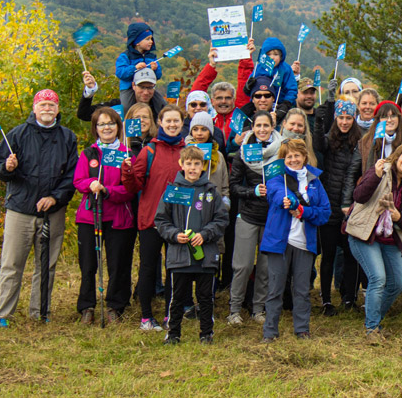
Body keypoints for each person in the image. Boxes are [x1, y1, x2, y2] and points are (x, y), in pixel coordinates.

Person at [0, 89, 79, 326]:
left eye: (52, 105)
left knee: (47, 265)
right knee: (12, 263)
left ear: (57, 109)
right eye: (43, 105)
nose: (47, 109)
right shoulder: (16, 135)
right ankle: (3, 315)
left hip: (52, 211)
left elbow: (72, 175)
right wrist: (7, 168)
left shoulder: (68, 137)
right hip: (20, 209)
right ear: (34, 108)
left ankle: (40, 313)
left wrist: (55, 198)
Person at [346, 142, 402, 341]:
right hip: (365, 235)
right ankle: (372, 329)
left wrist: (399, 217)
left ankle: (373, 316)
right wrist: (375, 176)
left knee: (398, 283)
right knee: (378, 278)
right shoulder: (380, 170)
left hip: (390, 240)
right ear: (397, 156)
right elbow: (359, 196)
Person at [121, 104, 188, 331]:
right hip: (150, 219)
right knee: (148, 268)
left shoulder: (187, 151)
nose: (172, 125)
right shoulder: (149, 151)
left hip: (178, 221)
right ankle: (146, 316)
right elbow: (134, 185)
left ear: (181, 123)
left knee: (174, 269)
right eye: (168, 121)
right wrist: (127, 172)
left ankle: (171, 314)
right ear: (160, 122)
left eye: (176, 121)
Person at [155, 145, 229, 344]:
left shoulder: (211, 192)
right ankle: (173, 334)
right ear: (181, 164)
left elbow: (221, 220)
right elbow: (161, 220)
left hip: (205, 255)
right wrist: (174, 235)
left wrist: (205, 235)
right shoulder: (172, 191)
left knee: (205, 298)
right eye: (189, 164)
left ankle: (206, 334)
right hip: (179, 255)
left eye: (197, 164)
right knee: (177, 298)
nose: (193, 168)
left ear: (203, 166)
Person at [259, 139, 332, 342]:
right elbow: (276, 194)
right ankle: (270, 331)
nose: (293, 159)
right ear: (283, 160)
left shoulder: (315, 182)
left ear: (304, 157)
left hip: (304, 243)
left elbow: (324, 213)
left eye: (296, 155)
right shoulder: (277, 179)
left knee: (301, 289)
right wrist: (288, 199)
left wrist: (303, 211)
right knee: (275, 289)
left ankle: (302, 329)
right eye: (288, 156)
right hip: (279, 242)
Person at [73, 107, 137, 326]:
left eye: (111, 123)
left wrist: (110, 191)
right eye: (102, 124)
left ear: (118, 127)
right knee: (88, 263)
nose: (106, 127)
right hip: (91, 215)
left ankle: (115, 306)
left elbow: (132, 187)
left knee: (118, 263)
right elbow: (78, 180)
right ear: (95, 128)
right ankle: (87, 306)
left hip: (118, 215)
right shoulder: (88, 153)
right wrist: (90, 184)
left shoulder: (127, 153)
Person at [227, 110, 283, 325]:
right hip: (248, 216)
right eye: (258, 125)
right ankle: (234, 309)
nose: (262, 129)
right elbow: (233, 186)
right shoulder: (244, 152)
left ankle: (258, 309)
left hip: (272, 217)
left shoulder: (280, 150)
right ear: (253, 127)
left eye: (266, 125)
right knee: (242, 265)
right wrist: (252, 191)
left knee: (265, 267)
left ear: (272, 127)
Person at [312, 99, 362, 315]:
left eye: (348, 118)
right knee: (329, 255)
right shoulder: (328, 139)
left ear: (354, 119)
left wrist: (348, 203)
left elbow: (355, 172)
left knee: (352, 255)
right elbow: (317, 146)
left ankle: (349, 297)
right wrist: (319, 120)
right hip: (329, 205)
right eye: (341, 117)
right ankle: (326, 300)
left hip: (350, 205)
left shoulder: (358, 141)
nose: (344, 122)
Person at [79, 67, 165, 122]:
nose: (146, 92)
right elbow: (84, 114)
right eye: (142, 87)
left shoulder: (160, 109)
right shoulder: (118, 106)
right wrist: (90, 90)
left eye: (150, 87)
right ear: (133, 86)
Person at [242, 36, 298, 115]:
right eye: (269, 54)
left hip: (280, 103)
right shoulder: (260, 67)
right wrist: (248, 87)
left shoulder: (285, 69)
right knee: (244, 112)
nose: (272, 57)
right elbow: (251, 85)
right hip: (260, 102)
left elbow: (292, 89)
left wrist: (287, 103)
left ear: (281, 56)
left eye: (276, 54)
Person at [115, 22, 161, 109]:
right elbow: (120, 72)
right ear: (137, 42)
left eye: (151, 39)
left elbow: (158, 76)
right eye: (147, 39)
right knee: (126, 107)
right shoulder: (125, 56)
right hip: (128, 88)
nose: (151, 42)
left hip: (148, 87)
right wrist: (134, 68)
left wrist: (155, 69)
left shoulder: (151, 57)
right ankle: (126, 122)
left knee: (161, 104)